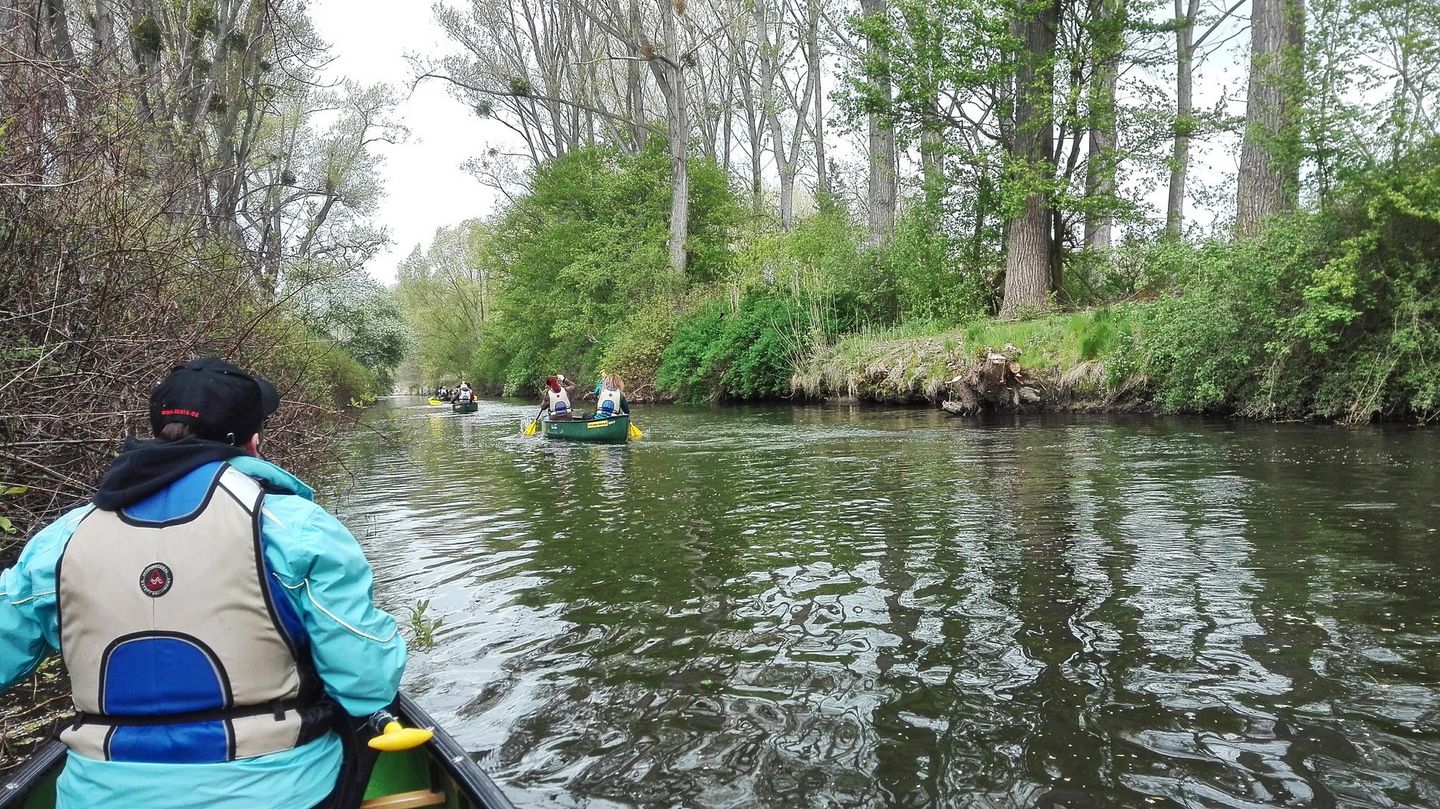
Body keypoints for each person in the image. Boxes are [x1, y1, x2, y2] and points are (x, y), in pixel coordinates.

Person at [0, 356, 407, 808]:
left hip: (96, 795)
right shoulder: (296, 528)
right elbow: (367, 683)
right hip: (281, 793)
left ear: (159, 432)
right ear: (253, 443)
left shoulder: (61, 540)